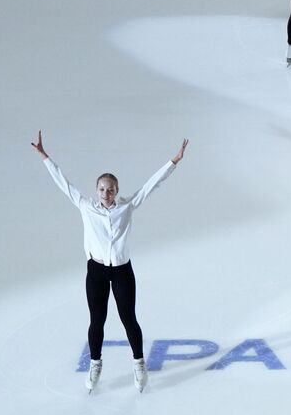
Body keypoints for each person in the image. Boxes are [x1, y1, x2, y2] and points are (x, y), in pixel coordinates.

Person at [31, 131, 187, 393]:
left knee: (129, 318)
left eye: (111, 189)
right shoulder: (85, 206)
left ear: (117, 191)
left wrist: (174, 161)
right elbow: (63, 183)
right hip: (97, 272)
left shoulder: (127, 206)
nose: (106, 193)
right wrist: (45, 157)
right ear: (96, 190)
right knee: (97, 320)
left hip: (122, 271)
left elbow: (152, 184)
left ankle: (139, 363)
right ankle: (95, 364)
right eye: (102, 189)